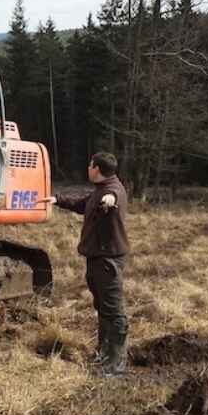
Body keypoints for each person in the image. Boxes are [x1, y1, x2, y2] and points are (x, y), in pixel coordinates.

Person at [45, 152, 130, 377]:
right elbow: (84, 203)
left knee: (113, 310)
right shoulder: (100, 189)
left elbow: (112, 198)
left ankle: (116, 366)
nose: (88, 168)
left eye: (90, 165)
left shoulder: (112, 191)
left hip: (108, 260)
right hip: (97, 258)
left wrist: (109, 201)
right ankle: (104, 354)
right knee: (102, 307)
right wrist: (57, 200)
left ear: (97, 169)